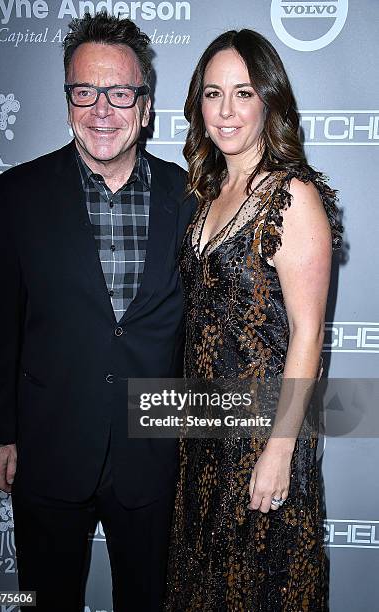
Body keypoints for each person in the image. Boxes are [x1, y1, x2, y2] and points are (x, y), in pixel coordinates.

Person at [0, 11, 194, 612]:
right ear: (68, 101)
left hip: (153, 450)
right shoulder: (19, 194)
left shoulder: (191, 196)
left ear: (146, 105)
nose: (103, 109)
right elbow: (1, 324)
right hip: (48, 447)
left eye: (121, 92)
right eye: (85, 91)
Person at [164, 29, 342, 611]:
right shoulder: (209, 190)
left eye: (243, 93)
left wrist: (280, 449)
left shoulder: (294, 197)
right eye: (213, 94)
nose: (226, 110)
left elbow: (309, 335)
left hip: (262, 439)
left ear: (269, 99)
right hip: (204, 437)